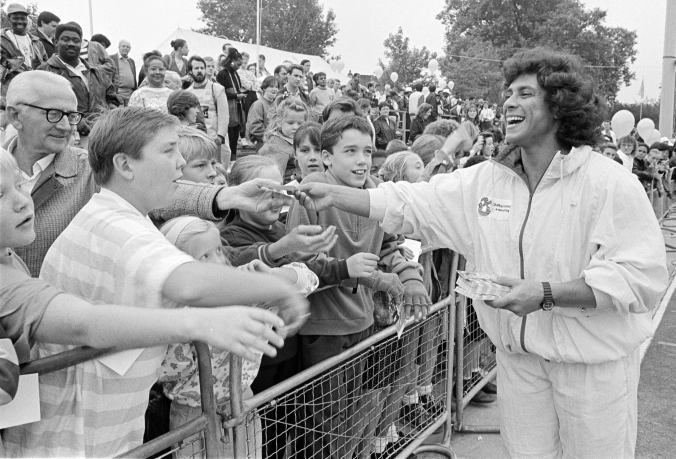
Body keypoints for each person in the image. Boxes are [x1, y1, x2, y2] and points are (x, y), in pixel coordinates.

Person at [293, 48, 668, 459]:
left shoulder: (609, 184)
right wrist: (334, 193)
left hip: (591, 371)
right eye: (508, 92)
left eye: (525, 93)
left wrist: (545, 293)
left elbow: (639, 279)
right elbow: (411, 203)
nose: (508, 101)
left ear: (560, 105)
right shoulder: (487, 181)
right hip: (519, 365)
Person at [2, 106, 308, 458]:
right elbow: (188, 283)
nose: (179, 163)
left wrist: (231, 196)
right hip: (74, 442)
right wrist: (280, 288)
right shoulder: (117, 226)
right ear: (125, 165)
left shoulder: (117, 214)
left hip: (92, 431)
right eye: (168, 151)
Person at [3, 70, 296, 278]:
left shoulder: (86, 166)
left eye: (72, 115)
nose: (66, 126)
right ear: (15, 115)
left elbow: (160, 189)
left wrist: (228, 196)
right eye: (54, 114)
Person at [287, 116, 429, 458]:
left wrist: (410, 278)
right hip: (324, 327)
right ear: (327, 157)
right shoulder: (309, 194)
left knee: (354, 416)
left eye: (367, 150)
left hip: (365, 323)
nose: (362, 160)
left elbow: (391, 246)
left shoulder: (377, 193)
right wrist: (362, 275)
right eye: (350, 151)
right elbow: (297, 263)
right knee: (324, 426)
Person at [158, 214, 317, 459]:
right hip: (193, 416)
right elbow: (166, 371)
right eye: (205, 256)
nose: (220, 260)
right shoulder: (173, 314)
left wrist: (271, 279)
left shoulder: (245, 293)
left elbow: (308, 279)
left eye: (219, 250)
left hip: (243, 402)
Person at [38, 22, 119, 149]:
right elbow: (41, 105)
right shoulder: (44, 72)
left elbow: (112, 97)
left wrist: (108, 118)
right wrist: (73, 119)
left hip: (100, 138)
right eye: (65, 39)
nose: (71, 43)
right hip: (64, 139)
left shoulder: (96, 71)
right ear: (55, 42)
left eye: (76, 40)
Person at [186, 55, 230, 163]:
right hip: (197, 140)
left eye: (202, 68)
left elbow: (224, 115)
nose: (200, 71)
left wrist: (220, 136)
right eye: (196, 68)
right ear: (190, 71)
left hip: (215, 139)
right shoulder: (187, 92)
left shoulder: (216, 89)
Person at [1, 3, 48, 96]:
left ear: (27, 19)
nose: (19, 22)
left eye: (22, 18)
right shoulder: (2, 40)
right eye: (15, 18)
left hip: (34, 90)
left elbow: (46, 64)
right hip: (11, 90)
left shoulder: (37, 42)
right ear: (8, 18)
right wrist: (10, 65)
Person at [259, 98, 308, 183]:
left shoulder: (297, 140)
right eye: (290, 123)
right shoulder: (276, 147)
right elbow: (273, 178)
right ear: (279, 122)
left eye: (300, 123)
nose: (295, 127)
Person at [216, 47, 246, 160]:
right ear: (231, 61)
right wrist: (236, 95)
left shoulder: (235, 74)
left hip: (237, 108)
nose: (239, 67)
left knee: (234, 137)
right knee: (229, 136)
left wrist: (239, 95)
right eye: (238, 64)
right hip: (227, 109)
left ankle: (233, 160)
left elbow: (237, 89)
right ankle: (227, 160)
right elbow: (221, 93)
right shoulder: (221, 74)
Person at [246, 76, 278, 151]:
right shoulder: (259, 104)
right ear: (264, 88)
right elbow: (255, 127)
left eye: (276, 87)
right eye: (271, 86)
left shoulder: (276, 105)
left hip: (276, 144)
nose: (274, 89)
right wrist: (270, 138)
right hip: (263, 144)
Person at [110, 39, 137, 106]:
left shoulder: (131, 61)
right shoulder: (112, 58)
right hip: (119, 93)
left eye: (127, 47)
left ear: (130, 49)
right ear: (119, 47)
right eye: (123, 46)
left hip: (130, 94)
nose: (125, 48)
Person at [238, 52, 260, 120]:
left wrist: (252, 84)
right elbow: (246, 85)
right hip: (246, 96)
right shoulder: (238, 72)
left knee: (256, 113)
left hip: (253, 95)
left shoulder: (250, 73)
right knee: (248, 115)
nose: (245, 61)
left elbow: (257, 84)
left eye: (246, 59)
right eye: (243, 59)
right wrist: (252, 83)